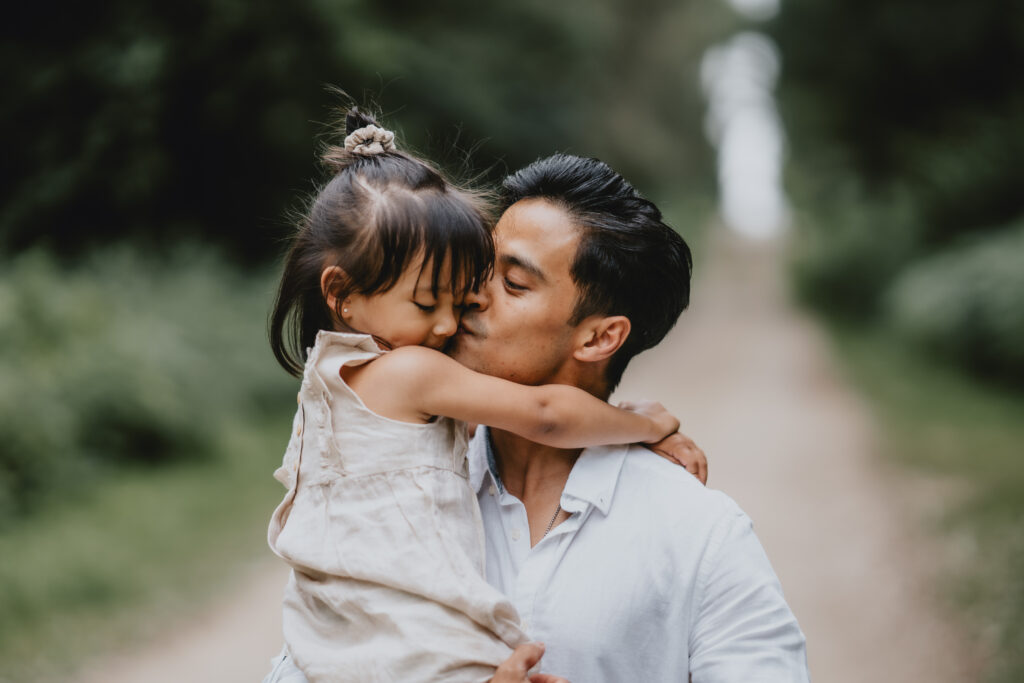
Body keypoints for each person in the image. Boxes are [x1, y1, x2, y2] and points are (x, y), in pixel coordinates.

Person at [263, 109, 696, 683]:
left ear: (601, 337)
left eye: (507, 283)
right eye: (429, 301)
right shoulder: (411, 374)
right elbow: (546, 415)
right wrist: (645, 424)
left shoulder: (344, 384)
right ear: (341, 294)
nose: (453, 317)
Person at [453, 153, 809, 682]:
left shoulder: (699, 535)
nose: (470, 293)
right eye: (480, 267)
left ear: (599, 338)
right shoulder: (398, 478)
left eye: (514, 283)